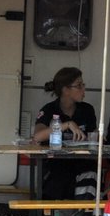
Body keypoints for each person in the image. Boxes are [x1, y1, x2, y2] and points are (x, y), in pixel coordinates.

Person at [33, 66, 98, 205]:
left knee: (90, 172)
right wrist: (65, 125)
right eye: (79, 85)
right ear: (65, 90)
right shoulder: (49, 109)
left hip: (82, 162)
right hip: (57, 163)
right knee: (60, 177)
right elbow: (37, 136)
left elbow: (94, 135)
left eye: (83, 85)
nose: (83, 89)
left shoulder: (87, 109)